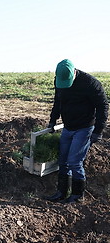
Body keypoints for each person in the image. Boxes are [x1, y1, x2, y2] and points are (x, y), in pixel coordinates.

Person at [46, 59, 108, 203]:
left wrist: (98, 130)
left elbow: (103, 106)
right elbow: (58, 101)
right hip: (68, 127)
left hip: (84, 127)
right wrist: (52, 120)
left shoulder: (90, 84)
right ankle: (61, 192)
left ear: (74, 73)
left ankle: (77, 196)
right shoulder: (59, 81)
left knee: (74, 162)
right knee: (63, 161)